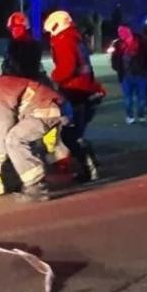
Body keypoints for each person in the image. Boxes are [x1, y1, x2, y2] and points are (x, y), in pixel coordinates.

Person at [0, 63, 70, 202]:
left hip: (47, 111)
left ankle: (36, 188)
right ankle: (24, 177)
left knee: (14, 140)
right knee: (14, 137)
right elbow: (6, 119)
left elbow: (4, 130)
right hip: (49, 108)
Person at [44, 10, 106, 181]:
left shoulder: (64, 40)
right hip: (84, 90)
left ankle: (89, 167)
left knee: (70, 134)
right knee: (76, 131)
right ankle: (91, 163)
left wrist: (54, 76)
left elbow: (67, 68)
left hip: (75, 91)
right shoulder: (75, 38)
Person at [110, 24, 146, 124]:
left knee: (141, 97)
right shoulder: (118, 44)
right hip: (126, 75)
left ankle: (141, 114)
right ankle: (129, 115)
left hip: (140, 74)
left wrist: (145, 68)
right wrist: (117, 67)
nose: (120, 33)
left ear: (129, 31)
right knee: (128, 98)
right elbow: (115, 58)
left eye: (122, 31)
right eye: (119, 32)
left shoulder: (140, 41)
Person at [1, 11, 44, 80]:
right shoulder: (11, 46)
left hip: (27, 84)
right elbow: (5, 66)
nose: (14, 31)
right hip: (12, 83)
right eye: (12, 29)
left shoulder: (33, 46)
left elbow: (28, 70)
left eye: (17, 27)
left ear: (25, 27)